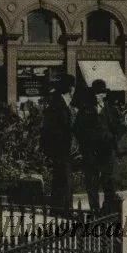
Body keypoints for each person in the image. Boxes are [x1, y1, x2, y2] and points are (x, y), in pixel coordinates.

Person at [73, 79, 127, 212]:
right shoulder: (85, 110)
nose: (98, 96)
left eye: (101, 93)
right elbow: (76, 129)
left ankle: (108, 208)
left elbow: (123, 127)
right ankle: (94, 209)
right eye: (96, 93)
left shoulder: (112, 110)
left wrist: (113, 138)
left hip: (107, 150)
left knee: (108, 180)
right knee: (91, 181)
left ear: (104, 95)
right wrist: (84, 143)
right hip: (90, 151)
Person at [41, 74, 76, 211]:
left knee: (59, 177)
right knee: (66, 179)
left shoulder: (57, 103)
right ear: (71, 89)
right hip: (61, 148)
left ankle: (57, 207)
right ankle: (65, 209)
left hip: (58, 148)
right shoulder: (60, 106)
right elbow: (58, 128)